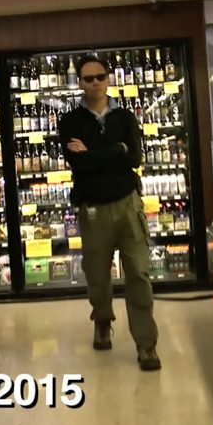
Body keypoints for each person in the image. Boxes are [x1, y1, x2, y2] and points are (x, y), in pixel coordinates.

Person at [58, 54, 160, 371]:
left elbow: (134, 158)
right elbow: (79, 164)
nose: (95, 83)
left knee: (139, 274)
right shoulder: (70, 122)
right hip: (92, 210)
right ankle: (102, 320)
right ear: (80, 84)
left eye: (100, 76)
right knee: (98, 277)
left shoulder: (126, 118)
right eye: (88, 79)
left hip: (128, 205)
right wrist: (116, 151)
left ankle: (146, 345)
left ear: (108, 79)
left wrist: (98, 154)